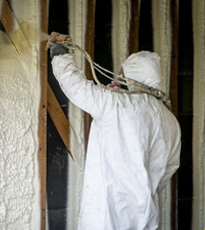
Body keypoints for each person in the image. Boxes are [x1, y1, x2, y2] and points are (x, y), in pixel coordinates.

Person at [50, 43, 181, 230]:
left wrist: (60, 56)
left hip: (106, 219)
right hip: (145, 218)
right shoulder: (171, 122)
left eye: (122, 75)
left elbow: (76, 87)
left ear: (132, 76)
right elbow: (169, 169)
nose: (118, 81)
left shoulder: (117, 104)